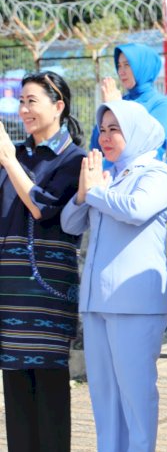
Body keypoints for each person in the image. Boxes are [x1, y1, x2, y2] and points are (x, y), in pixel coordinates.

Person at [61, 100, 167, 452]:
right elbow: (69, 223)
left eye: (116, 129)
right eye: (104, 129)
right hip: (97, 303)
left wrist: (96, 191)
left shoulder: (154, 173)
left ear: (136, 133)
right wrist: (85, 192)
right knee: (104, 397)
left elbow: (136, 209)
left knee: (136, 397)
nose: (106, 137)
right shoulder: (107, 176)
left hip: (135, 304)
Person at [0, 71, 85, 452]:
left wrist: (7, 160)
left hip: (48, 291)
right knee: (15, 390)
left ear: (59, 105)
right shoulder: (15, 155)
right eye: (21, 102)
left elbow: (42, 207)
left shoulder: (74, 159)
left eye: (32, 101)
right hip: (10, 289)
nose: (24, 110)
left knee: (49, 390)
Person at [92, 43, 167, 162]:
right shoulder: (120, 100)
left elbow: (147, 142)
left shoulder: (161, 104)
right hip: (112, 174)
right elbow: (96, 146)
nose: (121, 72)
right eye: (119, 66)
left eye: (127, 65)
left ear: (143, 67)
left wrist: (118, 109)